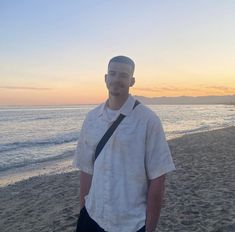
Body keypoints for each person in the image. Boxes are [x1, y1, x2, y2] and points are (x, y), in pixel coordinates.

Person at [73, 55, 175, 232]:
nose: (117, 79)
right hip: (94, 215)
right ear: (106, 78)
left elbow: (158, 178)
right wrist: (83, 210)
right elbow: (86, 169)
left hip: (131, 222)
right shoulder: (92, 118)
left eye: (123, 75)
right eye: (112, 74)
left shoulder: (147, 120)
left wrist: (149, 229)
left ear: (132, 81)